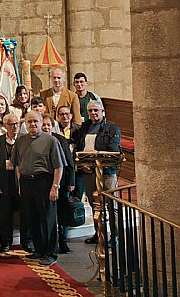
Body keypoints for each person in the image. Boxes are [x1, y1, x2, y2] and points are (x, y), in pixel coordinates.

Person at [12, 111, 63, 267]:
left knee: (47, 219)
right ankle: (39, 250)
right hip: (27, 183)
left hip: (44, 182)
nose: (32, 124)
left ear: (41, 122)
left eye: (35, 121)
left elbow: (58, 166)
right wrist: (20, 185)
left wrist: (55, 187)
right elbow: (17, 165)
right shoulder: (20, 141)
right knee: (32, 218)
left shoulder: (51, 141)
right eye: (29, 122)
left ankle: (51, 253)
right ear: (25, 124)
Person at [72, 99, 121, 244]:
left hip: (107, 172)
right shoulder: (85, 127)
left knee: (112, 205)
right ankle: (98, 233)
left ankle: (115, 235)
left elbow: (112, 149)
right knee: (95, 204)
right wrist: (83, 163)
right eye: (90, 111)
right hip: (88, 172)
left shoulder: (111, 127)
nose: (93, 113)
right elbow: (79, 147)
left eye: (96, 110)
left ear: (102, 112)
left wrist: (94, 162)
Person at [0, 114, 33, 253]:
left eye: (17, 124)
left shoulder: (25, 140)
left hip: (22, 182)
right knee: (5, 214)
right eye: (11, 124)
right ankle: (5, 242)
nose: (15, 127)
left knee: (26, 213)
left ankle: (27, 241)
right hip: (4, 182)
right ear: (5, 126)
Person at [41, 114, 75, 254]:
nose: (46, 127)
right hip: (45, 182)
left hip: (61, 182)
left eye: (48, 124)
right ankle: (50, 243)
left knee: (62, 213)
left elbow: (69, 160)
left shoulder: (60, 139)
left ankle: (63, 241)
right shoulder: (37, 140)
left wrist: (71, 181)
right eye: (43, 124)